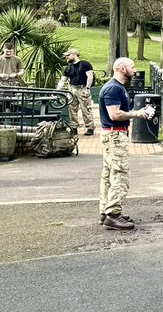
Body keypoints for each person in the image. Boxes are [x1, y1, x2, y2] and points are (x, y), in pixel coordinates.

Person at [98, 58, 154, 231]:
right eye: (132, 67)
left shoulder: (117, 87)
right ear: (122, 69)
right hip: (115, 134)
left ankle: (105, 212)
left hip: (111, 135)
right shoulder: (114, 88)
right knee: (121, 174)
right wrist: (137, 113)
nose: (134, 70)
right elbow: (114, 114)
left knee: (109, 174)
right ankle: (113, 215)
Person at [62, 48, 96, 135]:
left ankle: (90, 127)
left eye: (68, 55)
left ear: (74, 54)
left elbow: (90, 76)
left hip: (83, 88)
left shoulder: (85, 64)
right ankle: (74, 127)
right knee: (72, 109)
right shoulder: (68, 67)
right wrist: (56, 91)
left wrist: (87, 88)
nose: (67, 57)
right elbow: (63, 80)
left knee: (86, 108)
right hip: (72, 89)